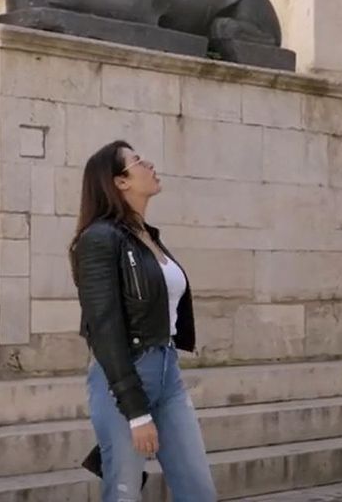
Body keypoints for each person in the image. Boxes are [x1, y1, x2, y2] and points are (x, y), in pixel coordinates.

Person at [71, 140, 217, 501]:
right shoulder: (98, 240)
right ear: (120, 182)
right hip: (124, 376)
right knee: (124, 492)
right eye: (137, 161)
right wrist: (136, 413)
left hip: (168, 373)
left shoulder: (147, 238)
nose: (149, 165)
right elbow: (104, 328)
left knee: (198, 489)